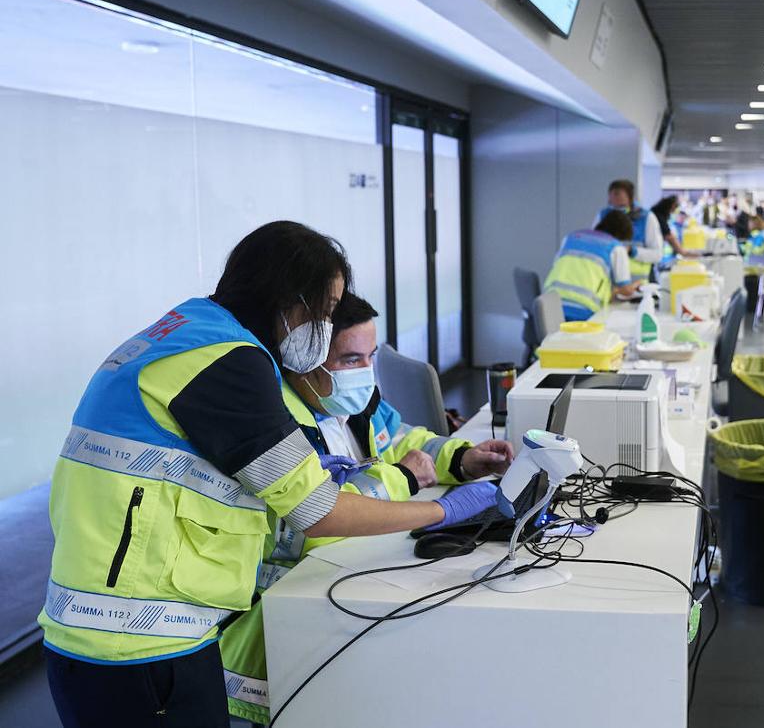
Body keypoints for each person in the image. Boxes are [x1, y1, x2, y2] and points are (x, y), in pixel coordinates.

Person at [39, 221, 500, 727]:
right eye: (324, 313)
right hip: (140, 641)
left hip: (107, 630)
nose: (323, 329)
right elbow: (316, 508)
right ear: (291, 302)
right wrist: (444, 509)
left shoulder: (186, 334)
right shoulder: (226, 361)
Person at [219, 292, 513, 724]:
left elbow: (402, 440)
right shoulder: (276, 424)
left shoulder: (355, 402)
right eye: (351, 359)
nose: (366, 372)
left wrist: (460, 458)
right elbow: (318, 519)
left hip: (339, 600)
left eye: (371, 356)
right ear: (307, 358)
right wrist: (406, 479)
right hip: (275, 635)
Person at [547, 209, 643, 320]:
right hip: (583, 311)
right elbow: (626, 290)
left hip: (550, 306)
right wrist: (636, 285)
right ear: (621, 235)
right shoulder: (616, 247)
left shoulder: (570, 237)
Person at [594, 179, 663, 283]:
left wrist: (632, 251)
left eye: (622, 206)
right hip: (608, 285)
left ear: (631, 200)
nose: (617, 210)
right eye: (613, 205)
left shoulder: (646, 218)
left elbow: (657, 254)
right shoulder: (603, 216)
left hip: (639, 285)